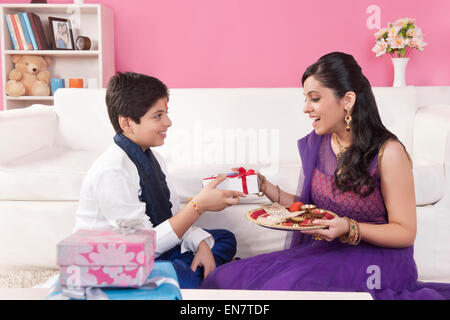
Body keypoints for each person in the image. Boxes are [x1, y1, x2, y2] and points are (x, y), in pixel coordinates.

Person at [200, 52, 450, 299]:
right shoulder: (318, 143)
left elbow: (405, 232)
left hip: (379, 261)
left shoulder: (388, 152)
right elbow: (314, 211)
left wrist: (349, 228)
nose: (306, 108)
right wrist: (264, 186)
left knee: (287, 288)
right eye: (306, 99)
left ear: (348, 100)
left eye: (315, 98)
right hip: (330, 251)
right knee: (226, 278)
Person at [73, 72, 243, 288]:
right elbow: (143, 246)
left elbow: (173, 217)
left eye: (166, 113)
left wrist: (201, 243)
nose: (168, 122)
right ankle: (195, 273)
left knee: (224, 239)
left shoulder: (155, 159)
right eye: (158, 116)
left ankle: (191, 270)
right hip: (119, 260)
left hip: (154, 249)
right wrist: (197, 206)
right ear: (127, 123)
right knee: (186, 277)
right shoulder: (112, 172)